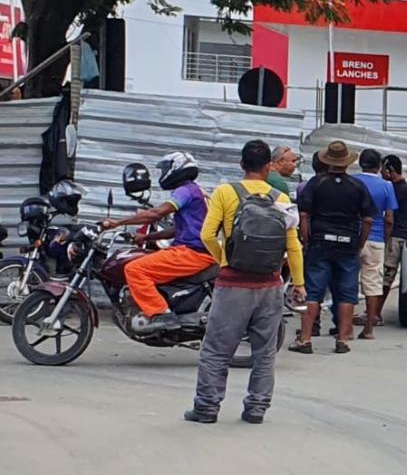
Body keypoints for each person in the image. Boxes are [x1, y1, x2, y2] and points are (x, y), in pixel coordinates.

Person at [187, 139, 306, 425]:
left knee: (216, 349)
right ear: (268, 167)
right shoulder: (280, 198)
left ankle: (206, 408)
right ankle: (256, 408)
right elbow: (294, 246)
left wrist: (224, 260)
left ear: (242, 165)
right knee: (264, 352)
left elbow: (206, 235)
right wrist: (299, 283)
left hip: (233, 284)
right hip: (269, 285)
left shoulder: (225, 192)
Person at [99, 152, 213, 333]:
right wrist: (147, 238)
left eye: (166, 169)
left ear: (177, 168)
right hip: (195, 251)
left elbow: (157, 213)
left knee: (134, 269)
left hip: (192, 253)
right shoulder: (196, 190)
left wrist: (117, 222)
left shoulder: (185, 191)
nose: (163, 174)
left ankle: (161, 314)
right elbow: (177, 229)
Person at [293, 140, 375, 355]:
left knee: (313, 292)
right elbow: (367, 219)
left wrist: (306, 238)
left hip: (320, 242)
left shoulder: (316, 183)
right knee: (347, 293)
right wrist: (360, 242)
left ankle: (305, 338)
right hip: (348, 244)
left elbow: (304, 214)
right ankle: (343, 339)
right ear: (347, 162)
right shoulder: (357, 186)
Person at [354, 149, 397, 339]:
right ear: (379, 167)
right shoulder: (387, 186)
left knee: (346, 281)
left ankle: (343, 327)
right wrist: (385, 238)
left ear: (359, 163)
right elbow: (389, 218)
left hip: (353, 237)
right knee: (373, 285)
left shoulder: (353, 182)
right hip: (376, 239)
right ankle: (369, 328)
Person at [380, 154, 407, 310]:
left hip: (394, 237)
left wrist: (385, 238)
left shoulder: (396, 189)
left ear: (390, 170)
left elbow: (389, 217)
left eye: (383, 171)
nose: (381, 174)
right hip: (399, 236)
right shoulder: (405, 188)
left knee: (386, 277)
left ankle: (375, 313)